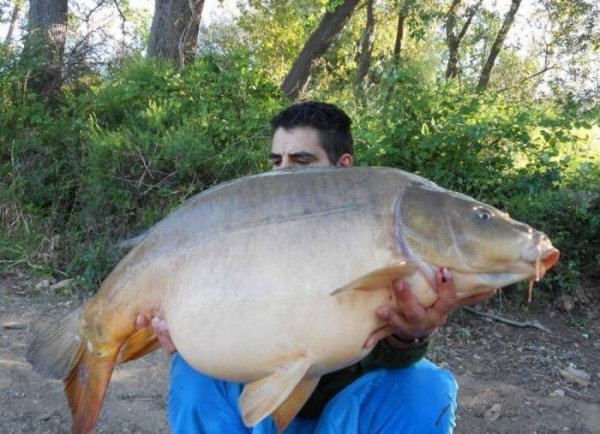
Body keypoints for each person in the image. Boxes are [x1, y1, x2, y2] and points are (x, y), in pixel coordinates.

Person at [137, 101, 496, 433]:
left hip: (342, 406)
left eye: (302, 162)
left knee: (425, 388)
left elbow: (382, 352)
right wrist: (187, 336)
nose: (283, 174)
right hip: (266, 395)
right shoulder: (247, 233)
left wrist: (410, 335)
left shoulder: (373, 228)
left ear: (343, 169)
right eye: (277, 162)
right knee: (192, 374)